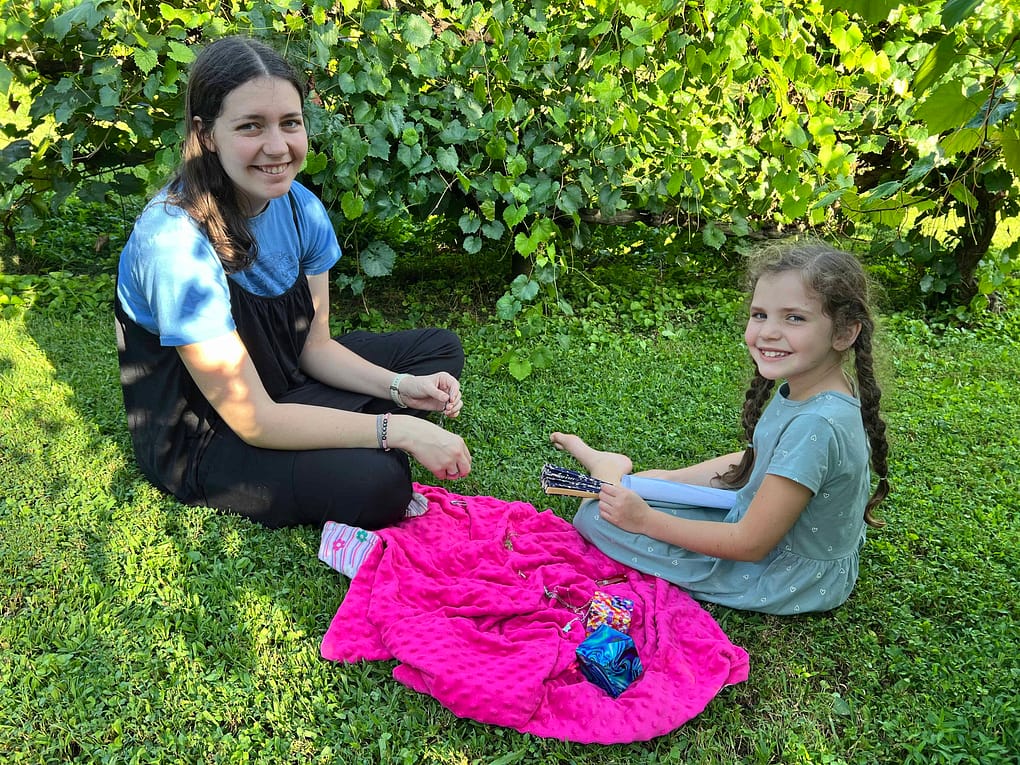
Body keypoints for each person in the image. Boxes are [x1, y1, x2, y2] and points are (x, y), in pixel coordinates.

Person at [115, 36, 471, 530]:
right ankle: (332, 438)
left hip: (286, 386)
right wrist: (396, 429)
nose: (277, 147)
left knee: (436, 352)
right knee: (378, 483)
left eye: (290, 123)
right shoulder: (175, 242)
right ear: (207, 133)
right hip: (213, 434)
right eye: (250, 126)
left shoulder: (301, 209)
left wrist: (400, 387)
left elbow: (314, 347)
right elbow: (252, 418)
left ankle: (327, 427)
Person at [551, 239, 890, 615]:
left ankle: (608, 469)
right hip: (766, 523)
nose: (769, 332)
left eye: (794, 318)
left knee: (595, 516)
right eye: (760, 314)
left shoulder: (818, 423)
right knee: (647, 492)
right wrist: (671, 478)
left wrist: (646, 521)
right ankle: (615, 473)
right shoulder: (813, 389)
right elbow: (760, 460)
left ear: (844, 334)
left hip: (784, 574)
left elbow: (748, 544)